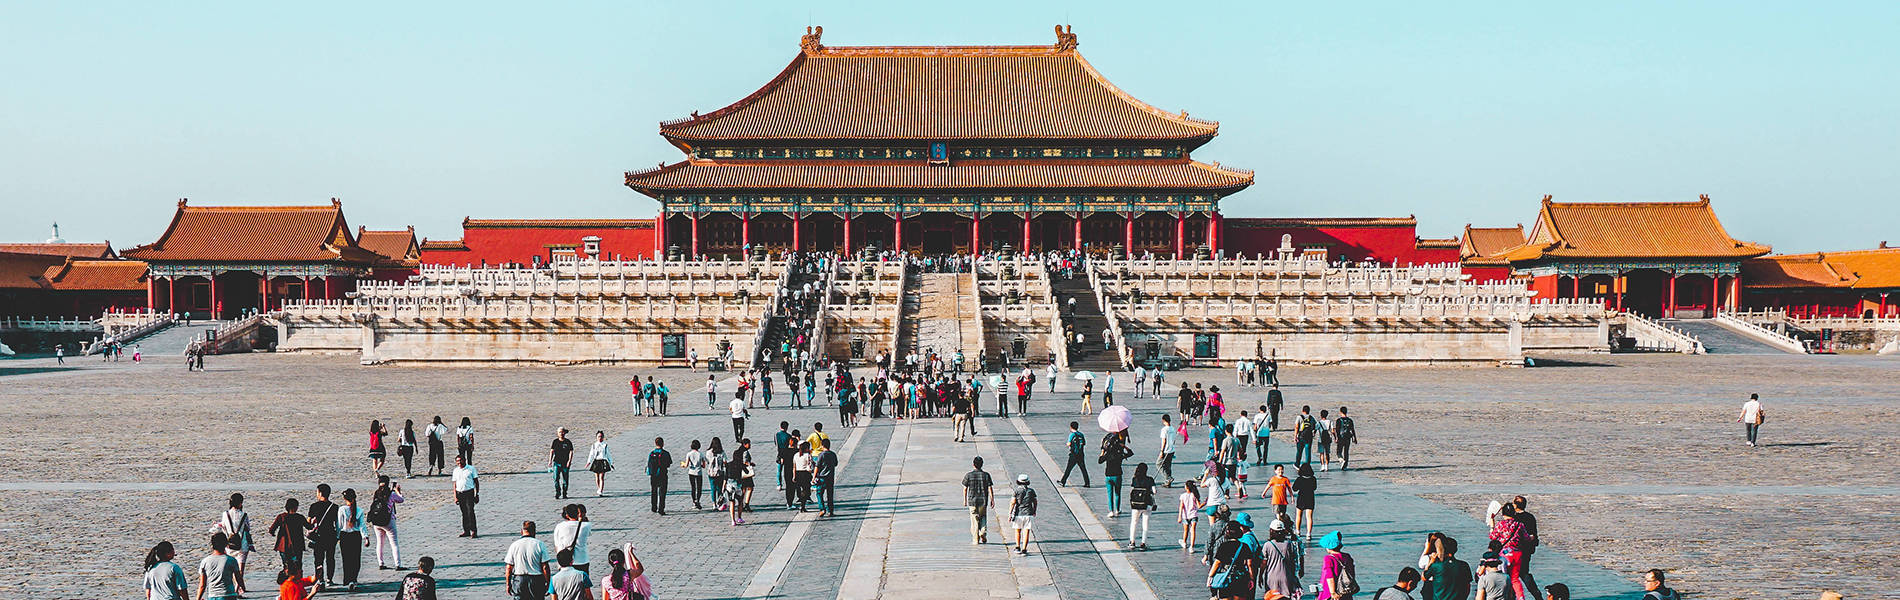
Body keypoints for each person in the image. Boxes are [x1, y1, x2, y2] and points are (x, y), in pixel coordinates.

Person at [1489, 504, 1539, 600]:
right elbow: (1527, 538)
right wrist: (1532, 537)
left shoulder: (1500, 525)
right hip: (1517, 553)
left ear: (1503, 514)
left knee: (1504, 577)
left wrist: (1492, 525)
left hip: (1504, 555)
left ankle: (1507, 597)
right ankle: (1521, 597)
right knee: (1515, 578)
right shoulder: (1519, 525)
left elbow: (1492, 537)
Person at [1205, 520, 1256, 600]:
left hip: (1226, 578)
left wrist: (1210, 576)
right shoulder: (1244, 546)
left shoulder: (1224, 546)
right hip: (1240, 578)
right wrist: (1251, 579)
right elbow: (1249, 565)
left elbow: (1217, 562)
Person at [213, 493, 252, 592]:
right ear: (240, 503)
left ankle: (236, 587)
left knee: (231, 568)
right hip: (242, 544)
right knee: (240, 569)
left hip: (229, 545)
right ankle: (237, 589)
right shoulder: (244, 515)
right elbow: (248, 528)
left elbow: (224, 526)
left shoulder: (225, 514)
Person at [504, 521, 552, 600]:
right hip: (536, 580)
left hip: (520, 579)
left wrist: (508, 584)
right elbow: (545, 567)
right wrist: (548, 582)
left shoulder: (514, 545)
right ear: (534, 531)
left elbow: (509, 567)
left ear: (521, 531)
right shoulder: (539, 544)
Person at [305, 484, 341, 585]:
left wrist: (312, 521)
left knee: (318, 559)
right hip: (330, 535)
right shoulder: (334, 507)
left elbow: (308, 523)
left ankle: (320, 580)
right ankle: (330, 579)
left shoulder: (314, 506)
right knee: (330, 558)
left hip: (318, 536)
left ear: (320, 493)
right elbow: (337, 523)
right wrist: (338, 536)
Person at [368, 476, 404, 571]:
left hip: (376, 522)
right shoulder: (391, 494)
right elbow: (401, 500)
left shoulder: (376, 493)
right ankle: (398, 564)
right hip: (388, 521)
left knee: (380, 542)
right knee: (394, 543)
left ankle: (381, 563)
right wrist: (398, 492)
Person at [1257, 519, 1300, 598]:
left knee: (1272, 597)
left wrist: (1260, 576)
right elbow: (1293, 562)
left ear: (1271, 531)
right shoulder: (1289, 544)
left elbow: (1263, 563)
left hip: (1271, 577)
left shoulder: (1267, 545)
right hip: (1286, 576)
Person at [1421, 535, 1470, 600]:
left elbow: (1424, 577)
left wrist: (1431, 561)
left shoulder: (1436, 566)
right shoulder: (1464, 565)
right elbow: (1467, 587)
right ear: (1456, 549)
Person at [267, 498, 307, 578]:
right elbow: (309, 526)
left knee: (286, 565)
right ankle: (298, 581)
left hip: (284, 546)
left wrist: (273, 533)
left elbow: (272, 529)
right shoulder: (300, 517)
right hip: (297, 545)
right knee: (298, 564)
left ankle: (287, 582)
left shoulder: (281, 517)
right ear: (296, 507)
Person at [335, 489, 365, 589]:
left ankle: (347, 580)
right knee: (356, 558)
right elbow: (362, 525)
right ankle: (354, 579)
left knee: (346, 559)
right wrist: (366, 537)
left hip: (345, 536)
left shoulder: (342, 509)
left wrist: (337, 536)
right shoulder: (359, 510)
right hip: (356, 536)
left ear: (344, 498)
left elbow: (339, 524)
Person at [197, 533, 241, 600]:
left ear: (212, 545)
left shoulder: (205, 561)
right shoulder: (231, 560)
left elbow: (202, 585)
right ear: (226, 544)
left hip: (213, 596)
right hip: (229, 595)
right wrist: (243, 588)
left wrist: (198, 598)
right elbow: (239, 579)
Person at [552, 505, 594, 574]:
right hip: (582, 560)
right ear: (578, 513)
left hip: (565, 561)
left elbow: (557, 546)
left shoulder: (559, 526)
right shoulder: (586, 526)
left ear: (567, 515)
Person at [1099, 430, 1133, 517]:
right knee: (1117, 493)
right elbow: (1130, 453)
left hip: (1108, 475)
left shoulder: (1108, 454)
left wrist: (1103, 451)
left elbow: (1099, 461)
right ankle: (1117, 510)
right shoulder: (1120, 454)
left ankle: (1111, 511)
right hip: (1117, 475)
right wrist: (1124, 446)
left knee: (1109, 494)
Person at [962, 456, 995, 544]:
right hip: (983, 501)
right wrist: (992, 499)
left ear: (973, 464)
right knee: (983, 517)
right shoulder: (986, 475)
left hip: (972, 501)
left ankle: (975, 539)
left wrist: (965, 500)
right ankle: (983, 532)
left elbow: (965, 488)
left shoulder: (968, 475)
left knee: (974, 519)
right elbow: (990, 488)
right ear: (982, 465)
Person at [1318, 531, 1359, 600]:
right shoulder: (1347, 556)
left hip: (1330, 592)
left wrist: (1333, 592)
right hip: (1345, 589)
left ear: (1328, 548)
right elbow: (1352, 573)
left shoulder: (1328, 558)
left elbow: (1329, 576)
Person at [1127, 463, 1156, 550]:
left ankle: (1132, 542)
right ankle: (1143, 543)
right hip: (1146, 504)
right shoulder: (1150, 479)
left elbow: (1132, 490)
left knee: (1134, 523)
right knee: (1145, 524)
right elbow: (1155, 491)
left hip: (1136, 504)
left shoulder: (1134, 479)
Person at [451, 456, 480, 538]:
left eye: (460, 461)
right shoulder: (456, 470)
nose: (459, 462)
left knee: (470, 511)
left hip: (469, 492)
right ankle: (466, 530)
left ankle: (474, 530)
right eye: (457, 461)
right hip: (460, 493)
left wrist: (477, 494)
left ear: (464, 460)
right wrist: (455, 496)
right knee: (464, 513)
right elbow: (455, 484)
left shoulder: (471, 469)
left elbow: (476, 482)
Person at [1009, 474, 1037, 555]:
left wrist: (1010, 513)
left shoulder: (1016, 491)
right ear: (1028, 482)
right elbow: (1035, 502)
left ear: (1018, 482)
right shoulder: (1031, 491)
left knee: (1017, 531)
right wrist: (1034, 511)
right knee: (1026, 531)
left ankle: (1018, 547)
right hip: (1028, 513)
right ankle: (1024, 549)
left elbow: (1012, 502)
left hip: (1018, 513)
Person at [1058, 421, 1090, 487]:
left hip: (1073, 455)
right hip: (1081, 454)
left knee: (1068, 469)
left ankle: (1063, 482)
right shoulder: (1081, 434)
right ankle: (1087, 483)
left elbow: (1069, 443)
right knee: (1083, 469)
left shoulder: (1072, 435)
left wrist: (1068, 444)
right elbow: (1084, 443)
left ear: (1071, 427)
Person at [1293, 464, 1318, 540]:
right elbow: (1314, 488)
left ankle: (1298, 531)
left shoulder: (1299, 479)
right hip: (1310, 498)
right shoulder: (1313, 479)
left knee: (1298, 515)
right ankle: (1309, 533)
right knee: (1309, 517)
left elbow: (1294, 488)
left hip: (1301, 498)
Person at [647, 437, 673, 514]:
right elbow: (668, 464)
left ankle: (654, 507)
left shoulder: (652, 453)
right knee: (662, 492)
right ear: (663, 443)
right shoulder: (666, 453)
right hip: (662, 474)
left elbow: (649, 464)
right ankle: (661, 509)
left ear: (655, 444)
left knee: (654, 491)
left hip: (653, 475)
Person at [1177, 478, 1203, 553]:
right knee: (1193, 530)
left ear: (1187, 487)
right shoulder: (1194, 495)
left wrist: (1179, 516)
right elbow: (1199, 506)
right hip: (1194, 515)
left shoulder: (1183, 496)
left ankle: (1184, 542)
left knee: (1186, 530)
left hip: (1185, 515)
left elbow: (1181, 506)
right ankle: (1191, 546)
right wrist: (1205, 502)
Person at [814, 440, 839, 517]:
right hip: (830, 477)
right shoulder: (833, 454)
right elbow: (835, 464)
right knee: (830, 494)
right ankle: (830, 511)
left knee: (819, 493)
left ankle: (822, 509)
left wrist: (814, 477)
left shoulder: (821, 455)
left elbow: (817, 467)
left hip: (822, 477)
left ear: (822, 445)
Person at [550, 428, 576, 499]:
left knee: (565, 479)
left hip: (565, 463)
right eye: (559, 432)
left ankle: (565, 493)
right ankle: (558, 492)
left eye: (562, 432)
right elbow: (552, 451)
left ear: (564, 433)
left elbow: (571, 451)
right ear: (557, 433)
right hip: (556, 463)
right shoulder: (555, 442)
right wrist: (550, 461)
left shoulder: (568, 442)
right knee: (556, 478)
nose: (561, 433)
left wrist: (569, 461)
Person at [587, 431, 614, 497]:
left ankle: (601, 490)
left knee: (601, 477)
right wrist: (589, 462)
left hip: (603, 461)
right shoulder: (594, 445)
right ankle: (599, 488)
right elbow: (591, 454)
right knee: (597, 477)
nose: (600, 438)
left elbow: (608, 454)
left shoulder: (605, 445)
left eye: (601, 436)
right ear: (596, 437)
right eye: (598, 436)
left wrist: (611, 463)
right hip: (596, 461)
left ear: (603, 437)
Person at [684, 439, 708, 510]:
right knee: (699, 487)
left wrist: (683, 465)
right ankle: (698, 500)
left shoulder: (689, 454)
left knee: (693, 487)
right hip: (698, 472)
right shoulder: (700, 454)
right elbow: (704, 466)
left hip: (691, 472)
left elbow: (686, 464)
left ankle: (694, 501)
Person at [1157, 414, 1177, 487]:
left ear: (1163, 420)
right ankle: (1168, 483)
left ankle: (1168, 478)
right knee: (1168, 466)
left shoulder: (1164, 430)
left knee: (1159, 464)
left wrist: (1161, 451)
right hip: (1171, 449)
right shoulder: (1173, 429)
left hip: (1166, 450)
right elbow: (1174, 440)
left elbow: (1164, 441)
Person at [1334, 406, 1356, 470]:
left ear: (1340, 412)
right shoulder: (1350, 420)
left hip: (1341, 437)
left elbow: (1337, 430)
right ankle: (1345, 466)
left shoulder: (1338, 420)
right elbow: (1352, 430)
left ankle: (1341, 460)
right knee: (1346, 452)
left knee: (1338, 452)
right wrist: (1355, 438)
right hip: (1348, 437)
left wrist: (1336, 438)